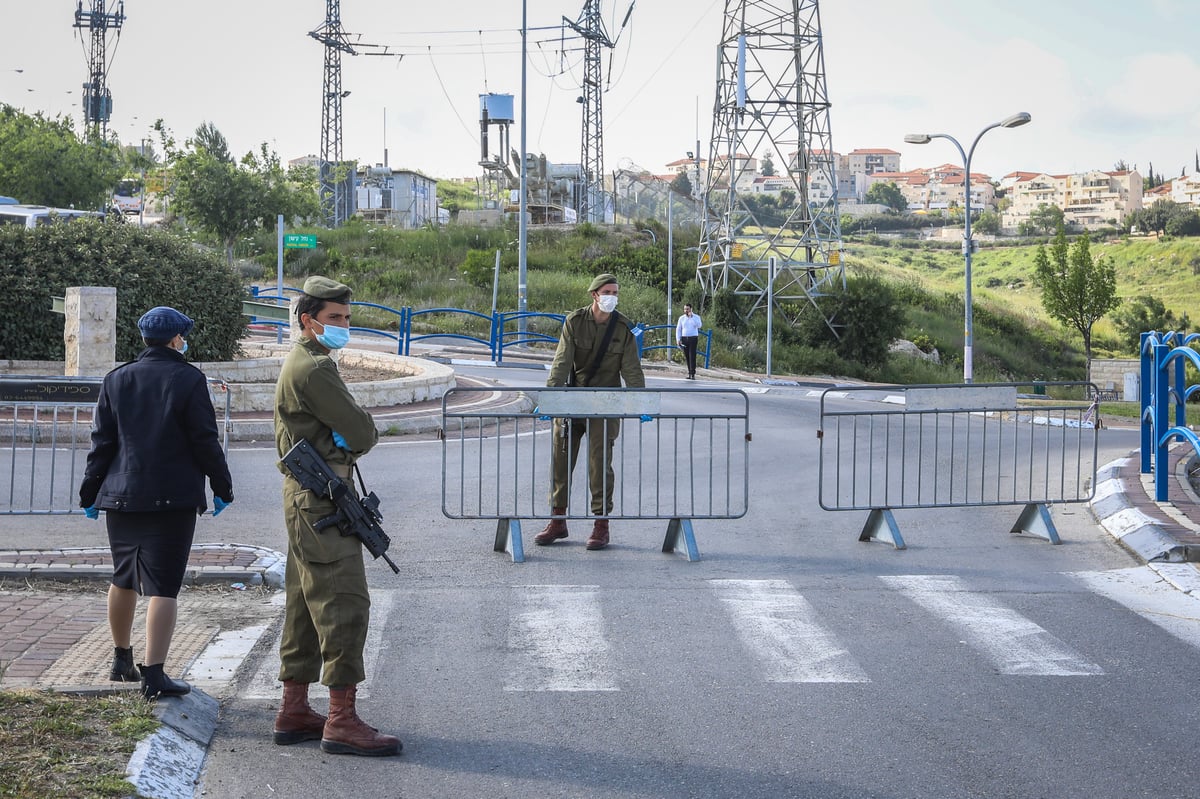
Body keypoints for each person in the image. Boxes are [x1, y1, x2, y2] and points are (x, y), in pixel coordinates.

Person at [272, 275, 401, 757]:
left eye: (347, 318)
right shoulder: (315, 369)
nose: (344, 326)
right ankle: (342, 720)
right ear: (309, 321)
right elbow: (361, 430)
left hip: (308, 498)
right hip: (323, 499)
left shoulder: (305, 360)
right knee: (344, 603)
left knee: (305, 603)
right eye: (334, 319)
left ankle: (294, 708)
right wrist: (356, 430)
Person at [79, 306, 234, 700]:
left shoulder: (116, 379)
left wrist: (89, 491)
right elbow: (204, 440)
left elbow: (102, 443)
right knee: (164, 586)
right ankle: (156, 675)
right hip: (173, 497)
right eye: (183, 335)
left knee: (124, 576)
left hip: (120, 495)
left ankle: (120, 659)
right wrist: (222, 485)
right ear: (176, 339)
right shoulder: (188, 379)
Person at [535, 273, 646, 551]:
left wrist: (641, 402)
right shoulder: (574, 322)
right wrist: (551, 399)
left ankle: (601, 524)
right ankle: (557, 521)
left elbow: (632, 369)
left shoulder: (622, 328)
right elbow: (561, 363)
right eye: (607, 291)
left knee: (599, 465)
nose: (613, 297)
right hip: (573, 402)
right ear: (594, 294)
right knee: (560, 463)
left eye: (616, 292)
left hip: (605, 405)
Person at [675, 303, 703, 379]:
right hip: (684, 338)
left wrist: (691, 317)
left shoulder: (696, 317)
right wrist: (678, 339)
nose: (686, 311)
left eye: (687, 309)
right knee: (687, 356)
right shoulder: (681, 318)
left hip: (693, 338)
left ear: (691, 309)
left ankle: (693, 373)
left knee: (692, 356)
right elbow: (678, 329)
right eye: (685, 309)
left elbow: (699, 325)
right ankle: (689, 373)